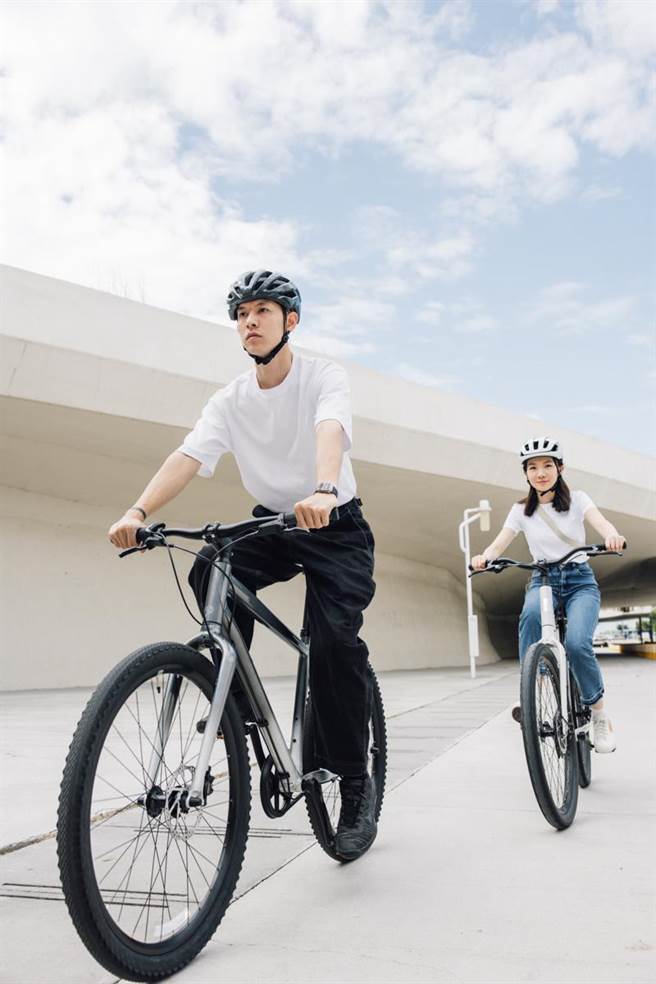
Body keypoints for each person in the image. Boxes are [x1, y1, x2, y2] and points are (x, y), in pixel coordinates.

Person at [108, 269, 378, 858]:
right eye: (241, 314)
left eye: (263, 310)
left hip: (333, 522)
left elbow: (329, 428)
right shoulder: (230, 399)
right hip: (274, 521)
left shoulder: (322, 376)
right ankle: (236, 698)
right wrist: (138, 509)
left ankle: (355, 785)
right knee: (211, 567)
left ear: (291, 321)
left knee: (333, 642)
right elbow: (188, 454)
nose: (250, 321)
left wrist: (325, 487)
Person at [471, 437, 624, 753]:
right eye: (532, 467)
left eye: (547, 466)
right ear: (526, 474)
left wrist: (611, 536)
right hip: (543, 579)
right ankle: (532, 690)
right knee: (528, 616)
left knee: (577, 644)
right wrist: (484, 556)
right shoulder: (520, 511)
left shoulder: (578, 499)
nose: (540, 473)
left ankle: (598, 715)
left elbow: (601, 523)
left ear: (560, 468)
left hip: (580, 580)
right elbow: (501, 542)